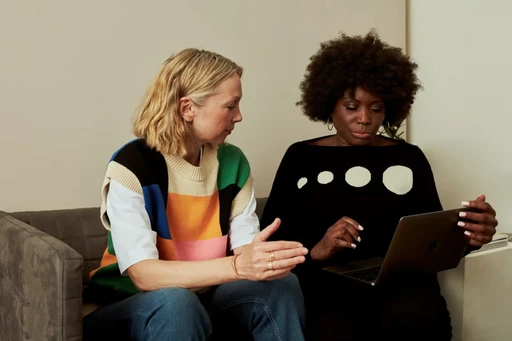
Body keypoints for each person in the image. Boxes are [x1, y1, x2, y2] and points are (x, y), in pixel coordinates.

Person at [261, 31, 498, 341]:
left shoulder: (408, 157)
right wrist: (318, 250)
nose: (364, 119)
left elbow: (433, 241)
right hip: (328, 288)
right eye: (351, 106)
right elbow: (269, 243)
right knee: (336, 331)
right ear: (328, 104)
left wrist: (473, 235)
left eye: (376, 109)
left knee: (417, 318)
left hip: (405, 287)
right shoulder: (300, 157)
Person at [83, 48, 308, 341]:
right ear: (188, 108)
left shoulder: (233, 163)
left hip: (206, 298)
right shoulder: (132, 165)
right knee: (176, 302)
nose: (239, 116)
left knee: (282, 285)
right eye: (230, 106)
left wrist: (265, 260)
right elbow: (144, 276)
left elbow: (245, 253)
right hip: (128, 306)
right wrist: (238, 266)